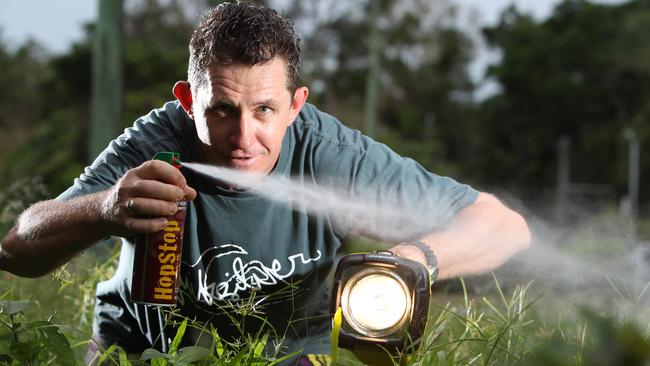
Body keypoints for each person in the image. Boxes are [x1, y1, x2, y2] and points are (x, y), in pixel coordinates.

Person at [0, 2, 530, 364]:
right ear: (188, 101)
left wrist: (416, 259)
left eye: (265, 110)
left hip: (290, 356)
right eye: (223, 111)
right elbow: (18, 249)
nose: (244, 137)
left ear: (296, 105)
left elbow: (504, 226)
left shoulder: (332, 154)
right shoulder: (155, 145)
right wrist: (105, 209)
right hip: (145, 355)